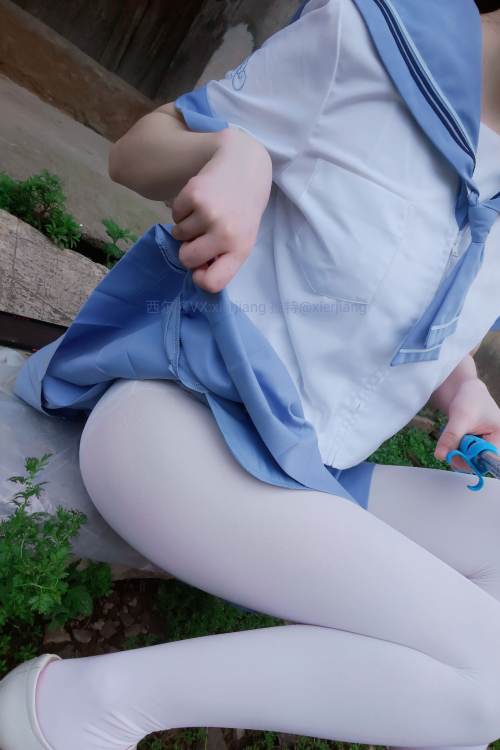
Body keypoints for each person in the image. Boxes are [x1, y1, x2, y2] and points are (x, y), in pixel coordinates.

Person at [1, 1, 500, 749]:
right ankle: (75, 710)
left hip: (308, 467)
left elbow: (417, 290)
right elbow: (136, 152)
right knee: (491, 678)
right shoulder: (367, 42)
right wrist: (233, 152)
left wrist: (461, 385)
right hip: (183, 427)